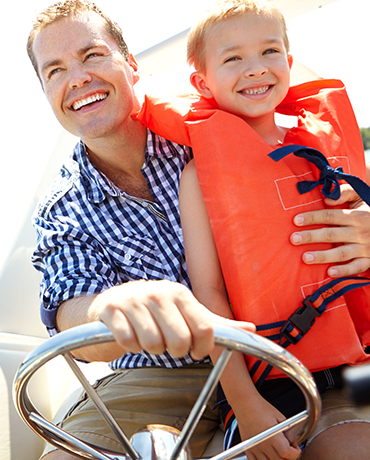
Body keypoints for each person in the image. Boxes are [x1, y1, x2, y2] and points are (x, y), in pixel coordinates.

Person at [27, 1, 370, 459]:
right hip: (150, 376)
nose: (78, 78)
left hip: (280, 355)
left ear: (131, 67)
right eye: (55, 70)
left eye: (92, 55)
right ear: (46, 91)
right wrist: (110, 307)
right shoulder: (61, 208)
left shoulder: (227, 131)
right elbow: (69, 308)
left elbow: (326, 186)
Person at [148, 0, 370, 459]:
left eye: (270, 52)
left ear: (288, 63)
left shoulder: (328, 146)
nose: (255, 69)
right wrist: (246, 405)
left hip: (359, 363)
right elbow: (207, 294)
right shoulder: (199, 175)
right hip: (274, 377)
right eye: (233, 58)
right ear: (201, 82)